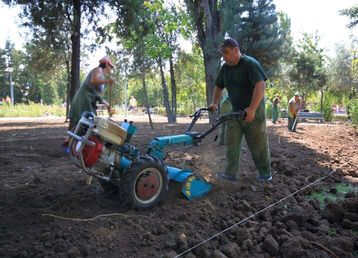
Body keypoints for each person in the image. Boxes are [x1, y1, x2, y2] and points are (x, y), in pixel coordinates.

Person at [209, 38, 271, 182]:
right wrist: (215, 103)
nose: (224, 57)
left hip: (254, 114)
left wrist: (252, 109)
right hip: (235, 113)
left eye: (226, 53)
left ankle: (265, 174)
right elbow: (219, 86)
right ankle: (230, 174)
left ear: (236, 50)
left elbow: (260, 86)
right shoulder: (225, 68)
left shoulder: (250, 64)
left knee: (258, 145)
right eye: (222, 54)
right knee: (232, 144)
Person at [64, 56, 115, 145]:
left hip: (87, 102)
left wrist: (108, 106)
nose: (111, 69)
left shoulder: (102, 77)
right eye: (111, 66)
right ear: (106, 64)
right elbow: (94, 80)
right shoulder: (98, 70)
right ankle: (74, 144)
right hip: (83, 101)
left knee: (80, 126)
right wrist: (107, 81)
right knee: (88, 124)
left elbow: (97, 96)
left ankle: (71, 144)